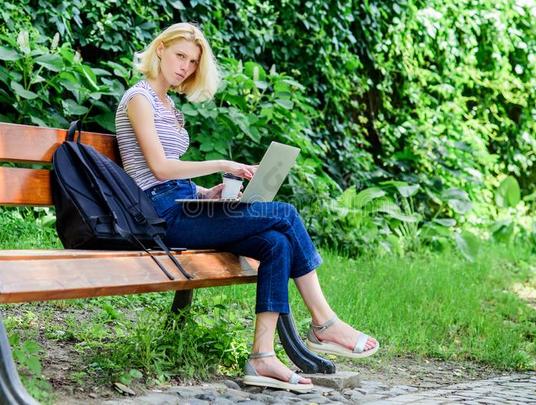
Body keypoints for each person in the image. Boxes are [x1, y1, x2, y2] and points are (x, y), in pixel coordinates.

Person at [115, 22, 379, 392]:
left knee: (277, 243)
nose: (185, 68)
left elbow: (171, 176)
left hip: (181, 202)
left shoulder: (169, 105)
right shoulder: (139, 99)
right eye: (180, 56)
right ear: (160, 49)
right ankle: (323, 323)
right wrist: (222, 164)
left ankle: (262, 357)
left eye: (192, 62)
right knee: (285, 215)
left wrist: (210, 191)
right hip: (161, 215)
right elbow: (158, 169)